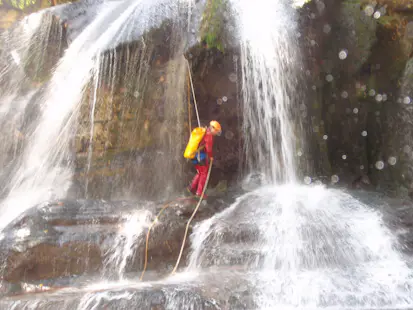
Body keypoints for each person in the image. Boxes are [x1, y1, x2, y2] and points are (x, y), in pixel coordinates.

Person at [187, 120, 222, 198]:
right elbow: (208, 148)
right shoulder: (209, 135)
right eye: (216, 131)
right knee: (204, 174)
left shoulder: (204, 131)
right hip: (200, 156)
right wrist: (211, 157)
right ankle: (199, 192)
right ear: (212, 128)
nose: (216, 133)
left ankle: (191, 188)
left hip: (192, 154)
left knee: (200, 172)